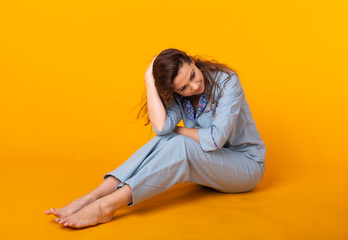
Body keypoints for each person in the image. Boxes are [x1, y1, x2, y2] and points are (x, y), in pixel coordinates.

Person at [44, 48, 266, 228]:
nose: (194, 86)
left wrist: (176, 131)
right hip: (212, 171)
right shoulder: (181, 95)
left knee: (178, 142)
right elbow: (161, 128)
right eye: (183, 87)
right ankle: (93, 196)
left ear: (191, 60)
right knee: (167, 139)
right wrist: (149, 79)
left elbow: (216, 139)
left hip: (246, 166)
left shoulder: (227, 81)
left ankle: (107, 207)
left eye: (192, 75)